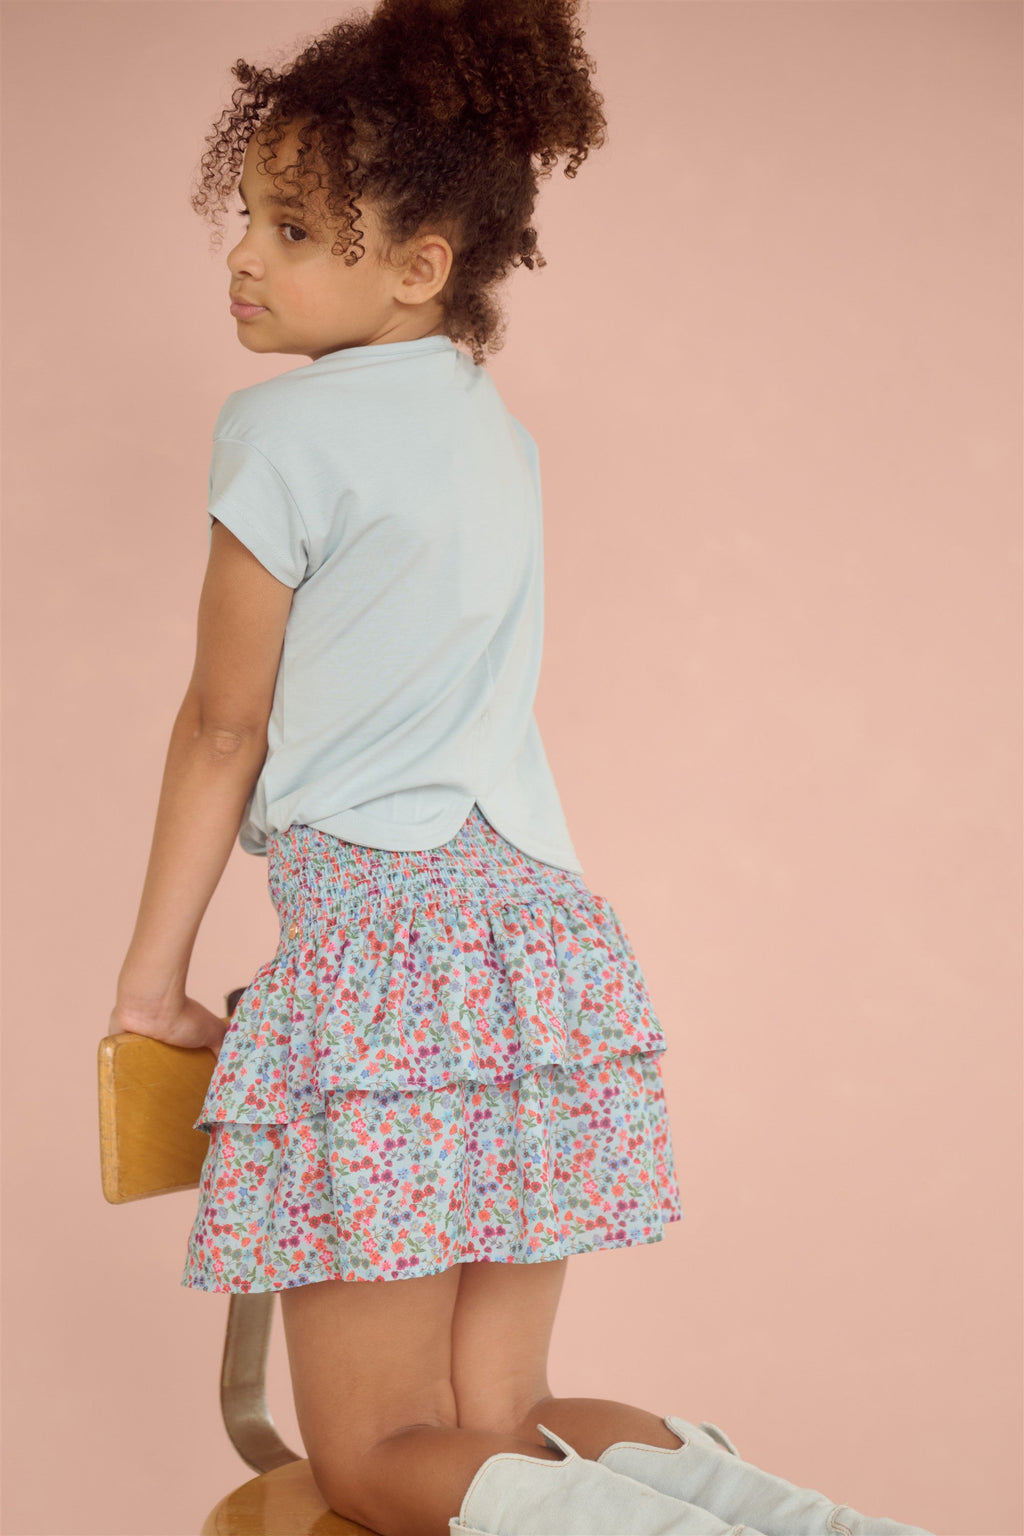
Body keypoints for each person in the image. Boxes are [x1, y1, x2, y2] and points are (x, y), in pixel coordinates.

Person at [109, 3, 935, 1535]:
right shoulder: (495, 432)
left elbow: (224, 726)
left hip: (393, 954)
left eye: (294, 230)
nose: (244, 256)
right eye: (251, 218)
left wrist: (151, 988)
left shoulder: (280, 435)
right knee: (504, 1418)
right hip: (540, 947)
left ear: (420, 264)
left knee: (374, 1457)